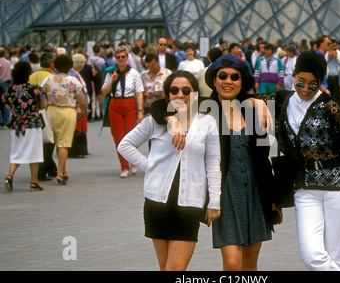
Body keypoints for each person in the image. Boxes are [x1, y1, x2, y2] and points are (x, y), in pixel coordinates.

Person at [151, 54, 277, 271]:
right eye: (222, 75)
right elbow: (157, 106)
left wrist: (261, 101)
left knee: (249, 263)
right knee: (231, 262)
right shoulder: (204, 107)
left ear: (242, 81)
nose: (228, 81)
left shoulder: (253, 108)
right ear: (214, 80)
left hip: (255, 192)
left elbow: (266, 159)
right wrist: (172, 120)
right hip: (224, 193)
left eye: (235, 77)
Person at [255, 51, 340, 271]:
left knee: (336, 255)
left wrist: (331, 163)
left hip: (339, 188)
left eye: (312, 85)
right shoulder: (280, 100)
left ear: (321, 82)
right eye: (300, 82)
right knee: (311, 256)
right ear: (293, 76)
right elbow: (237, 104)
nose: (305, 89)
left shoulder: (330, 106)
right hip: (304, 189)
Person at [117, 71, 221, 271]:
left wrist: (214, 201)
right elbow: (125, 145)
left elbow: (213, 163)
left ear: (196, 94)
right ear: (167, 95)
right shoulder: (155, 122)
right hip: (157, 204)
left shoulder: (207, 122)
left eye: (186, 90)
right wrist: (149, 165)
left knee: (175, 269)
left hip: (189, 205)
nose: (179, 95)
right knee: (165, 268)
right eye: (174, 90)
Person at [41, 55, 88, 185]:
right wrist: (83, 112)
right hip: (68, 112)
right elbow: (82, 101)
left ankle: (64, 169)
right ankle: (60, 173)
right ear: (69, 66)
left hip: (51, 111)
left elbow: (40, 94)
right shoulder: (73, 81)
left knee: (57, 142)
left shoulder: (48, 79)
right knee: (64, 143)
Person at [2, 61, 47, 191]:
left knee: (17, 151)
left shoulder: (9, 90)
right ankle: (34, 182)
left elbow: (9, 107)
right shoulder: (36, 88)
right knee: (35, 152)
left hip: (16, 125)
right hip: (33, 123)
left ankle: (10, 176)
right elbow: (43, 106)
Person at [101, 46, 144, 178]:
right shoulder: (110, 73)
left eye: (123, 57)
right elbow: (104, 92)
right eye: (118, 57)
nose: (121, 59)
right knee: (118, 137)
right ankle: (124, 166)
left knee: (131, 135)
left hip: (129, 104)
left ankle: (133, 161)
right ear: (115, 58)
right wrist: (112, 80)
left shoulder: (134, 73)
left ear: (127, 58)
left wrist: (140, 111)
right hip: (115, 104)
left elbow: (139, 93)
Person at [29, 52, 58, 181]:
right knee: (49, 142)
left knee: (39, 142)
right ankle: (44, 170)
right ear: (52, 64)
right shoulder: (52, 77)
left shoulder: (32, 76)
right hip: (47, 111)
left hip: (32, 112)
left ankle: (52, 169)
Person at [0, 47, 12, 129]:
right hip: (5, 83)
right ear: (5, 53)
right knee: (5, 102)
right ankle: (6, 122)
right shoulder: (8, 62)